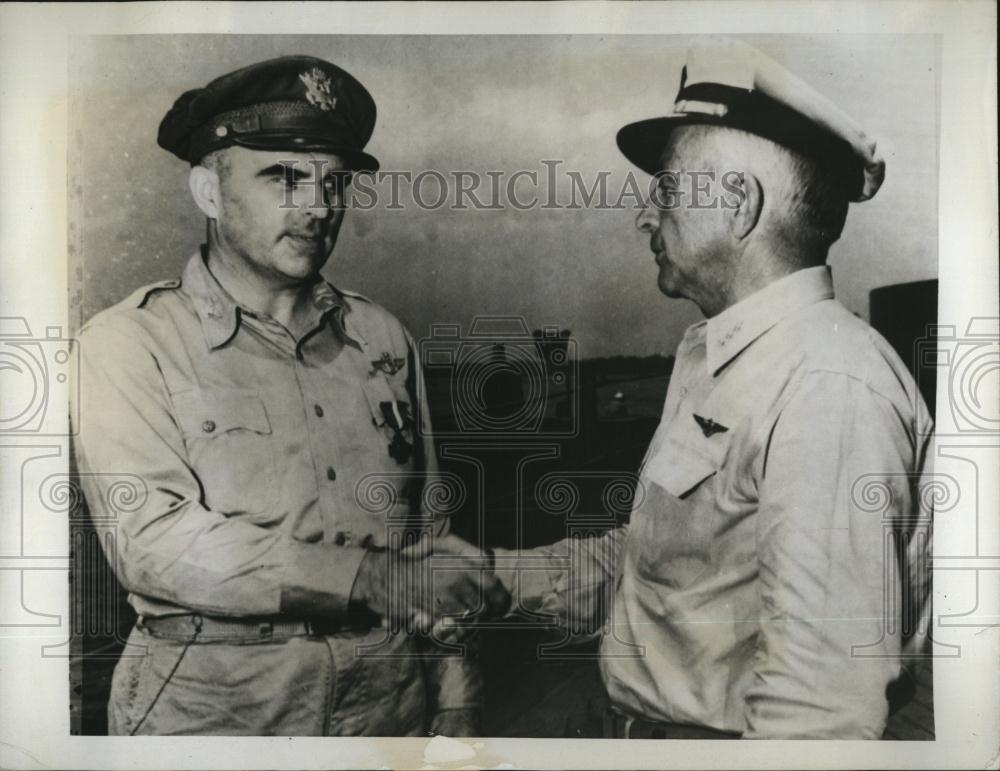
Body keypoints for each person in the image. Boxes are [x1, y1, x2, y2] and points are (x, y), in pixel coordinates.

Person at [455, 39, 933, 739]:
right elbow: (665, 571)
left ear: (739, 203)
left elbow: (818, 716)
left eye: (668, 188)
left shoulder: (827, 387)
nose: (646, 217)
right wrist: (493, 573)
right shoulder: (722, 355)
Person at [75, 55, 508, 736]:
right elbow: (151, 540)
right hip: (219, 705)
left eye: (334, 183)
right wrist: (362, 576)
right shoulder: (130, 343)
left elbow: (428, 539)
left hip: (388, 702)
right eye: (284, 178)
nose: (319, 207)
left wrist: (458, 694)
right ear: (209, 193)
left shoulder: (382, 338)